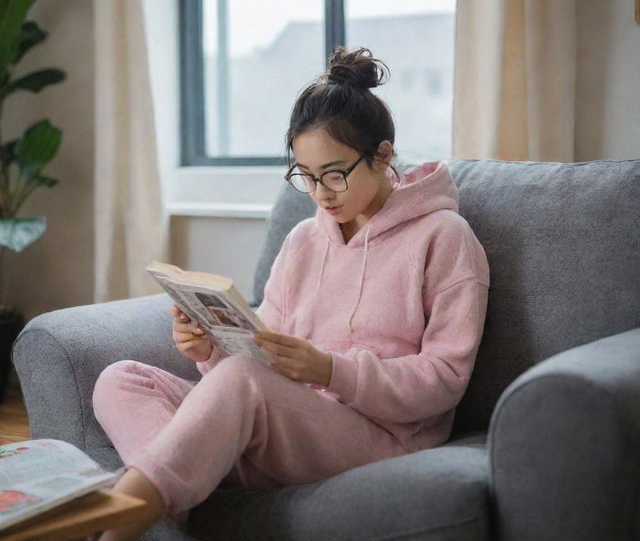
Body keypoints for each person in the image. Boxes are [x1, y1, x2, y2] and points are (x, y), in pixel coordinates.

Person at [90, 46, 490, 541]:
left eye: (335, 173)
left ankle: (121, 522)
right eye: (307, 176)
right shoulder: (304, 239)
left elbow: (445, 380)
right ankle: (180, 493)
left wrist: (329, 370)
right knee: (121, 379)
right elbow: (260, 357)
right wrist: (210, 349)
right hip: (288, 425)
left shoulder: (445, 237)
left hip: (382, 437)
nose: (322, 193)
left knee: (240, 382)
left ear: (383, 155)